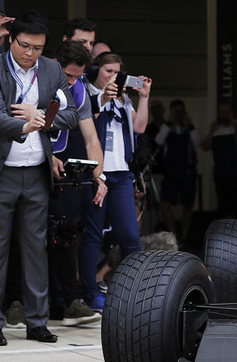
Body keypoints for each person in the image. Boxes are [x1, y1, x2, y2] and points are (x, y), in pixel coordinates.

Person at [0, 12, 78, 345]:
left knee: (36, 249)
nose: (30, 53)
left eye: (38, 48)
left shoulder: (53, 69)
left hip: (36, 169)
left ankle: (37, 321)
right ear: (11, 40)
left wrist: (40, 118)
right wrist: (25, 125)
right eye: (25, 46)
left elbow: (70, 114)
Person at [81, 53, 151, 310]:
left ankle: (136, 293)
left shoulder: (123, 99)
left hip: (121, 174)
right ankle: (89, 293)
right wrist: (104, 96)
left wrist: (143, 97)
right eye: (108, 71)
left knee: (130, 236)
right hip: (96, 173)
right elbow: (86, 125)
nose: (113, 77)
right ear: (97, 71)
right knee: (93, 235)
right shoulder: (88, 94)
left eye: (117, 73)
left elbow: (139, 127)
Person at [50, 40, 107, 326]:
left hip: (65, 170)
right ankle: (19, 302)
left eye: (76, 76)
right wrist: (47, 155)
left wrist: (100, 177)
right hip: (27, 164)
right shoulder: (36, 79)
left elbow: (91, 138)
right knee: (26, 237)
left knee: (67, 230)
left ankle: (69, 300)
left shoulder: (78, 89)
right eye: (68, 74)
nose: (70, 80)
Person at [202, 100, 237, 217]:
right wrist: (211, 130)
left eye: (227, 112)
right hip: (222, 176)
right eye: (222, 113)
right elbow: (205, 147)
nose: (225, 115)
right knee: (226, 211)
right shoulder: (214, 130)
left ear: (232, 113)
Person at [156, 99, 201, 242]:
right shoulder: (166, 127)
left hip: (188, 171)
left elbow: (197, 143)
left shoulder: (190, 128)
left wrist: (190, 124)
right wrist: (170, 123)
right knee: (165, 203)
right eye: (176, 112)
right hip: (171, 171)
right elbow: (159, 141)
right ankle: (174, 235)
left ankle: (185, 236)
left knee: (188, 204)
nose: (179, 114)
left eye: (181, 111)